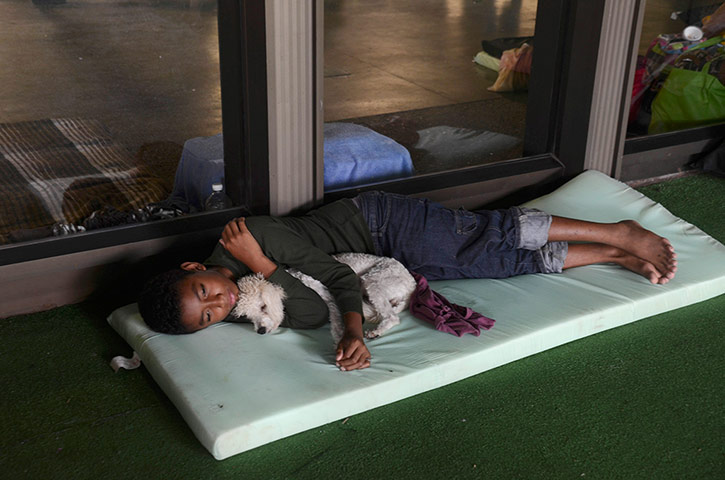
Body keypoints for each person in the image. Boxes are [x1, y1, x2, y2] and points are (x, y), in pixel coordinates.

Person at [137, 191, 677, 372]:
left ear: (195, 269)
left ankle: (617, 230)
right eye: (209, 315)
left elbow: (331, 277)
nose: (222, 301)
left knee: (479, 239)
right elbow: (303, 308)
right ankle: (612, 253)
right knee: (495, 263)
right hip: (380, 257)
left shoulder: (245, 236)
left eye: (206, 292)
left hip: (379, 224)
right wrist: (348, 332)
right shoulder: (245, 307)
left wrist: (264, 263)